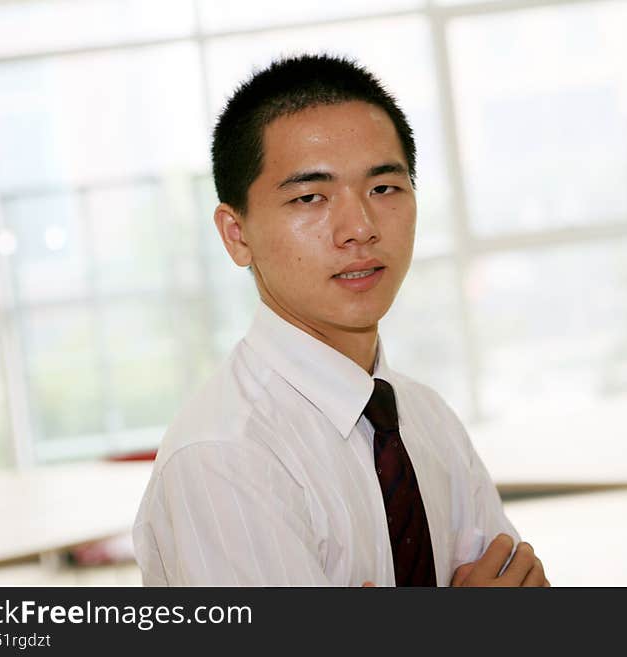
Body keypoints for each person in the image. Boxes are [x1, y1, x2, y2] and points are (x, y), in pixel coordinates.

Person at [133, 54, 548, 587]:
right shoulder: (225, 458)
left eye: (383, 189)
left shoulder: (425, 417)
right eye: (310, 197)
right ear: (237, 235)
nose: (359, 228)